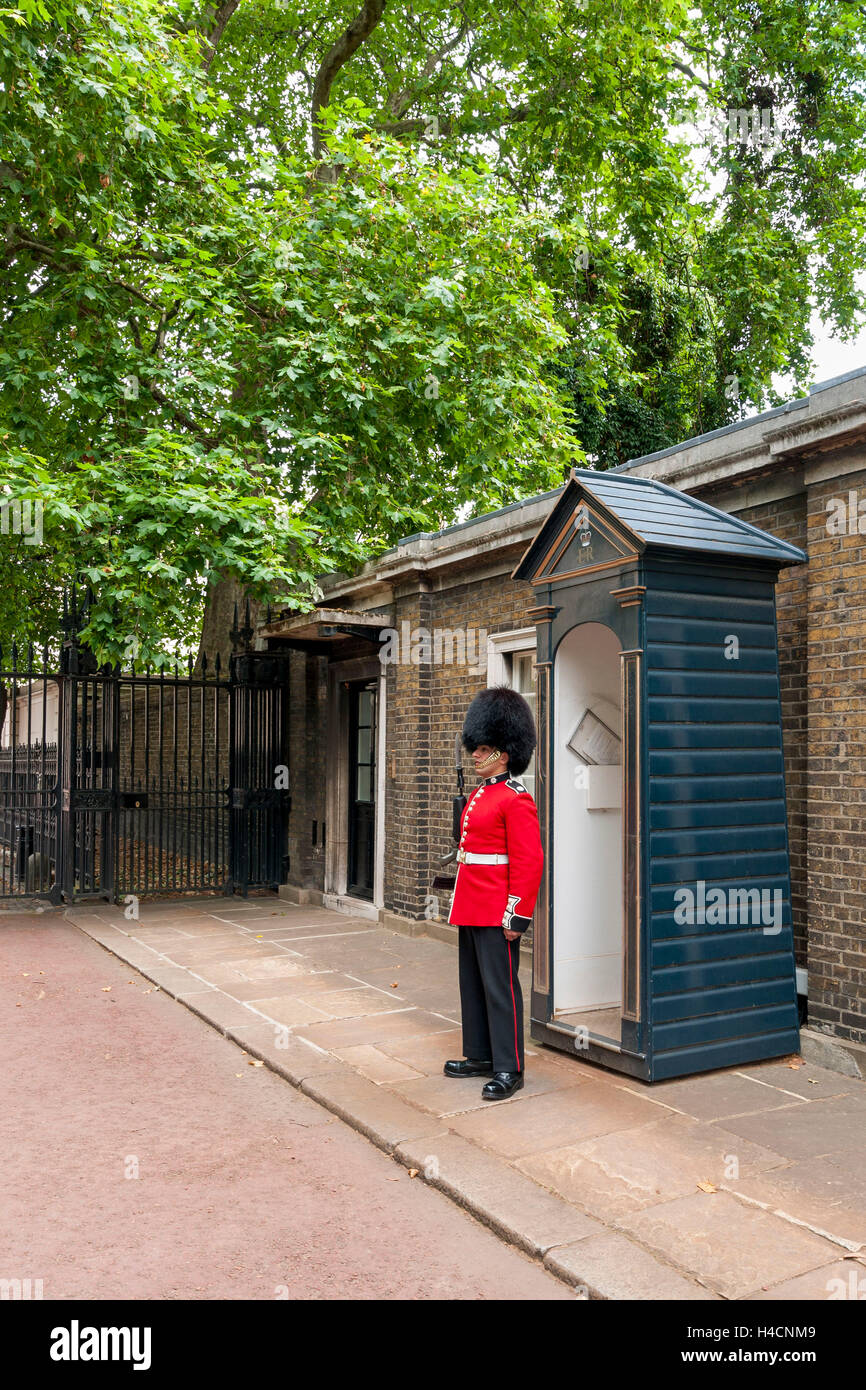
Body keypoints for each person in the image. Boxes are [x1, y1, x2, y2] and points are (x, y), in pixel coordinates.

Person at [443, 686, 544, 1100]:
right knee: (473, 983)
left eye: (481, 748)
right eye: (475, 747)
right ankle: (480, 1054)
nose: (474, 754)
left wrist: (516, 914)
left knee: (501, 989)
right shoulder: (479, 793)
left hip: (497, 908)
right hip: (471, 903)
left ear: (502, 753)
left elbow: (529, 861)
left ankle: (510, 1067)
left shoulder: (516, 799)